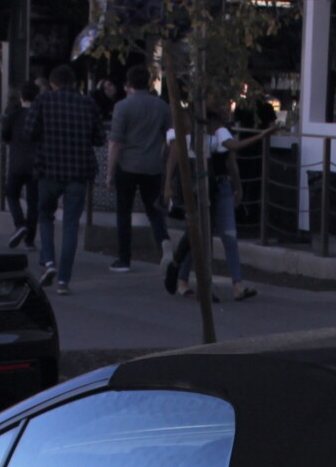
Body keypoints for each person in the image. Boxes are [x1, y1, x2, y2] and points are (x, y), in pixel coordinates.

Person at [161, 104, 265, 301]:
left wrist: (238, 185)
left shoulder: (219, 135)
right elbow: (173, 157)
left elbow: (230, 159)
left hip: (218, 185)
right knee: (198, 235)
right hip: (198, 185)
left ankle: (236, 285)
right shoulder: (189, 135)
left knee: (223, 236)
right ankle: (185, 277)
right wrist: (168, 186)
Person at [30, 66, 100, 294]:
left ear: (52, 83)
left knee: (45, 216)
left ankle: (49, 262)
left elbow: (29, 132)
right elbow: (99, 138)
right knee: (71, 224)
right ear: (75, 83)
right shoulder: (88, 103)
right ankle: (63, 281)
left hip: (48, 169)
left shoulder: (43, 100)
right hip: (78, 172)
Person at [104, 64, 172, 273]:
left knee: (123, 211)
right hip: (152, 165)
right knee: (154, 210)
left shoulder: (122, 107)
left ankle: (124, 258)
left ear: (129, 84)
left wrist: (109, 172)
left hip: (128, 164)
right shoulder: (162, 106)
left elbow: (115, 142)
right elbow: (170, 137)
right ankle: (164, 242)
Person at [1, 80, 41, 247]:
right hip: (36, 164)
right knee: (33, 202)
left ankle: (20, 224)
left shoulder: (14, 114)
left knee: (11, 194)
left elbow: (5, 136)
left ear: (21, 96)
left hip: (17, 162)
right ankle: (30, 240)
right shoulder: (40, 115)